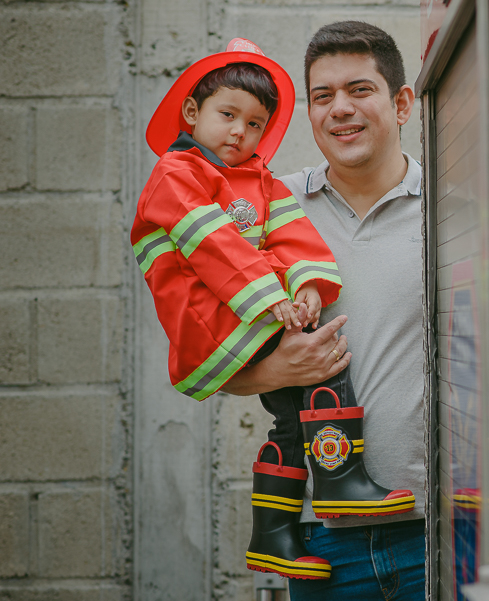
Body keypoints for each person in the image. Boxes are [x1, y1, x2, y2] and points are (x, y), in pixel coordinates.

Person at [131, 38, 377, 581]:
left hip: (246, 310)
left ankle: (273, 537)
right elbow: (213, 243)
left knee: (290, 420)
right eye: (227, 115)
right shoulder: (177, 174)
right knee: (325, 368)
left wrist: (309, 284)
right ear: (191, 113)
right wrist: (274, 302)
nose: (240, 133)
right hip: (212, 316)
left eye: (255, 124)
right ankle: (339, 481)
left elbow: (292, 235)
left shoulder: (260, 180)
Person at [223, 21, 426, 600]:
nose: (340, 109)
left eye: (360, 90)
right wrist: (273, 373)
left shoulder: (451, 206)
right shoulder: (267, 207)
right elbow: (204, 354)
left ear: (402, 102)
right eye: (322, 96)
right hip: (321, 538)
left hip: (439, 524)